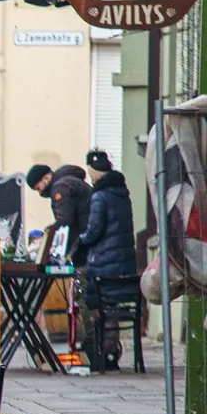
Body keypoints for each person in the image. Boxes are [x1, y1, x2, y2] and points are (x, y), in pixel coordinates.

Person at [81, 151, 136, 371]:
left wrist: (80, 241)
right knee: (112, 307)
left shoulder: (100, 196)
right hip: (124, 264)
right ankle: (112, 352)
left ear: (95, 173)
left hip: (104, 261)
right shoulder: (122, 193)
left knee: (98, 308)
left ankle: (101, 355)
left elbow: (94, 231)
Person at [27, 161, 92, 264]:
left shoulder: (60, 188)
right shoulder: (67, 181)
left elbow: (65, 220)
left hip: (85, 238)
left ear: (45, 178)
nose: (40, 192)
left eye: (38, 188)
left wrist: (48, 235)